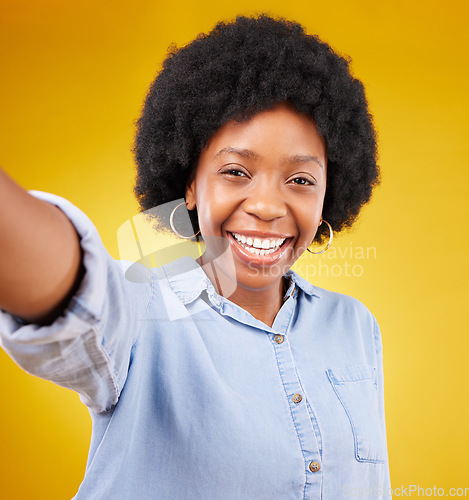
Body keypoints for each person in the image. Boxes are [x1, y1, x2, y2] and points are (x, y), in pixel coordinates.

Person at [0, 14, 391, 499]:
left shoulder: (355, 326)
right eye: (234, 171)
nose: (268, 206)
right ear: (189, 184)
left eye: (301, 180)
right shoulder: (143, 312)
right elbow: (77, 287)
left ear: (329, 193)